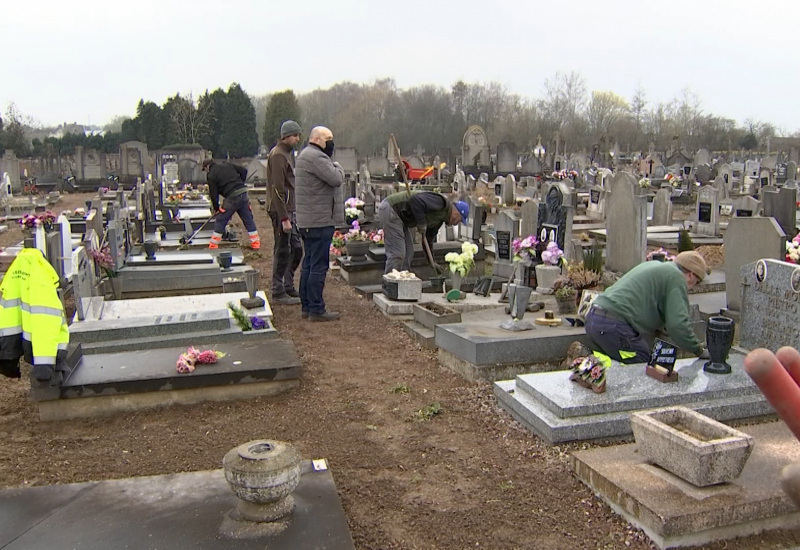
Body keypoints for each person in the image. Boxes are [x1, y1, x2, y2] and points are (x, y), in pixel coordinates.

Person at [584, 251, 710, 364]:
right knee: (641, 363)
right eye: (697, 282)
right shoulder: (676, 277)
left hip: (594, 318)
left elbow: (647, 301)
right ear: (691, 275)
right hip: (613, 326)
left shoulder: (656, 266)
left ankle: (588, 363)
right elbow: (678, 325)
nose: (693, 287)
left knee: (614, 366)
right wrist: (698, 350)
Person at [295, 126, 344, 321]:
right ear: (316, 139)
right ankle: (316, 309)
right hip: (319, 221)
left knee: (308, 263)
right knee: (318, 265)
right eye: (327, 139)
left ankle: (307, 305)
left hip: (309, 220)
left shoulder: (305, 155)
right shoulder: (317, 157)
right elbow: (336, 178)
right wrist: (338, 166)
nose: (330, 142)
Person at [377, 190, 469, 274]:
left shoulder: (439, 219)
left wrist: (432, 262)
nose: (456, 224)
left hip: (401, 218)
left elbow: (428, 240)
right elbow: (416, 200)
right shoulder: (441, 203)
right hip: (391, 209)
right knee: (398, 253)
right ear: (456, 214)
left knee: (409, 252)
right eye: (459, 220)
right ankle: (390, 285)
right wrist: (422, 223)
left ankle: (403, 282)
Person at [266, 120, 303, 305]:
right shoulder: (279, 155)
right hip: (281, 210)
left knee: (296, 248)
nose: (298, 138)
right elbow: (277, 188)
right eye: (295, 135)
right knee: (282, 250)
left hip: (289, 209)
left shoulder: (286, 153)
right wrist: (284, 218)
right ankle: (277, 290)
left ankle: (287, 284)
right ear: (286, 136)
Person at [202, 159, 260, 250]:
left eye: (205, 169)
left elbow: (213, 193)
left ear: (207, 167)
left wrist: (217, 208)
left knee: (221, 219)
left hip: (231, 198)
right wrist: (240, 183)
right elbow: (244, 171)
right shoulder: (227, 165)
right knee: (248, 219)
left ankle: (213, 245)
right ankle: (256, 243)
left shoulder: (211, 175)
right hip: (243, 194)